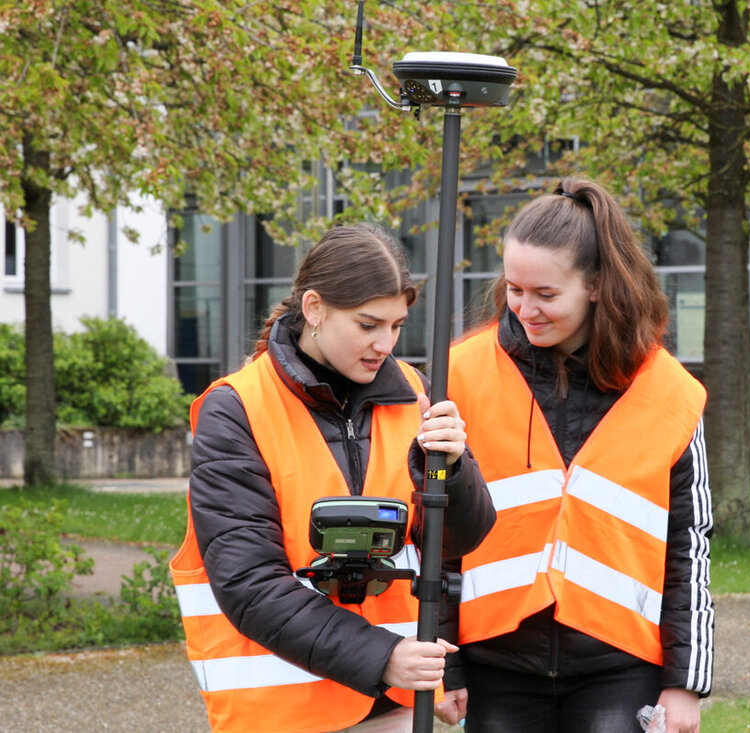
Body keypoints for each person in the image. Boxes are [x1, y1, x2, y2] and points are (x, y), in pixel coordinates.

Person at [170, 223, 495, 733]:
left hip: (392, 707)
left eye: (396, 325)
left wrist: (453, 473)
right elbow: (249, 584)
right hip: (280, 711)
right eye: (368, 324)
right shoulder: (236, 409)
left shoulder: (415, 393)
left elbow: (454, 544)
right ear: (316, 308)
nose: (385, 343)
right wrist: (384, 657)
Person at [437, 178, 714, 733]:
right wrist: (443, 660)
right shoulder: (460, 374)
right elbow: (433, 531)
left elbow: (688, 548)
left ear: (596, 286)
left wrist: (685, 683)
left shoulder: (671, 392)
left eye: (545, 294)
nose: (524, 309)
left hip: (621, 668)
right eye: (514, 289)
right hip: (496, 667)